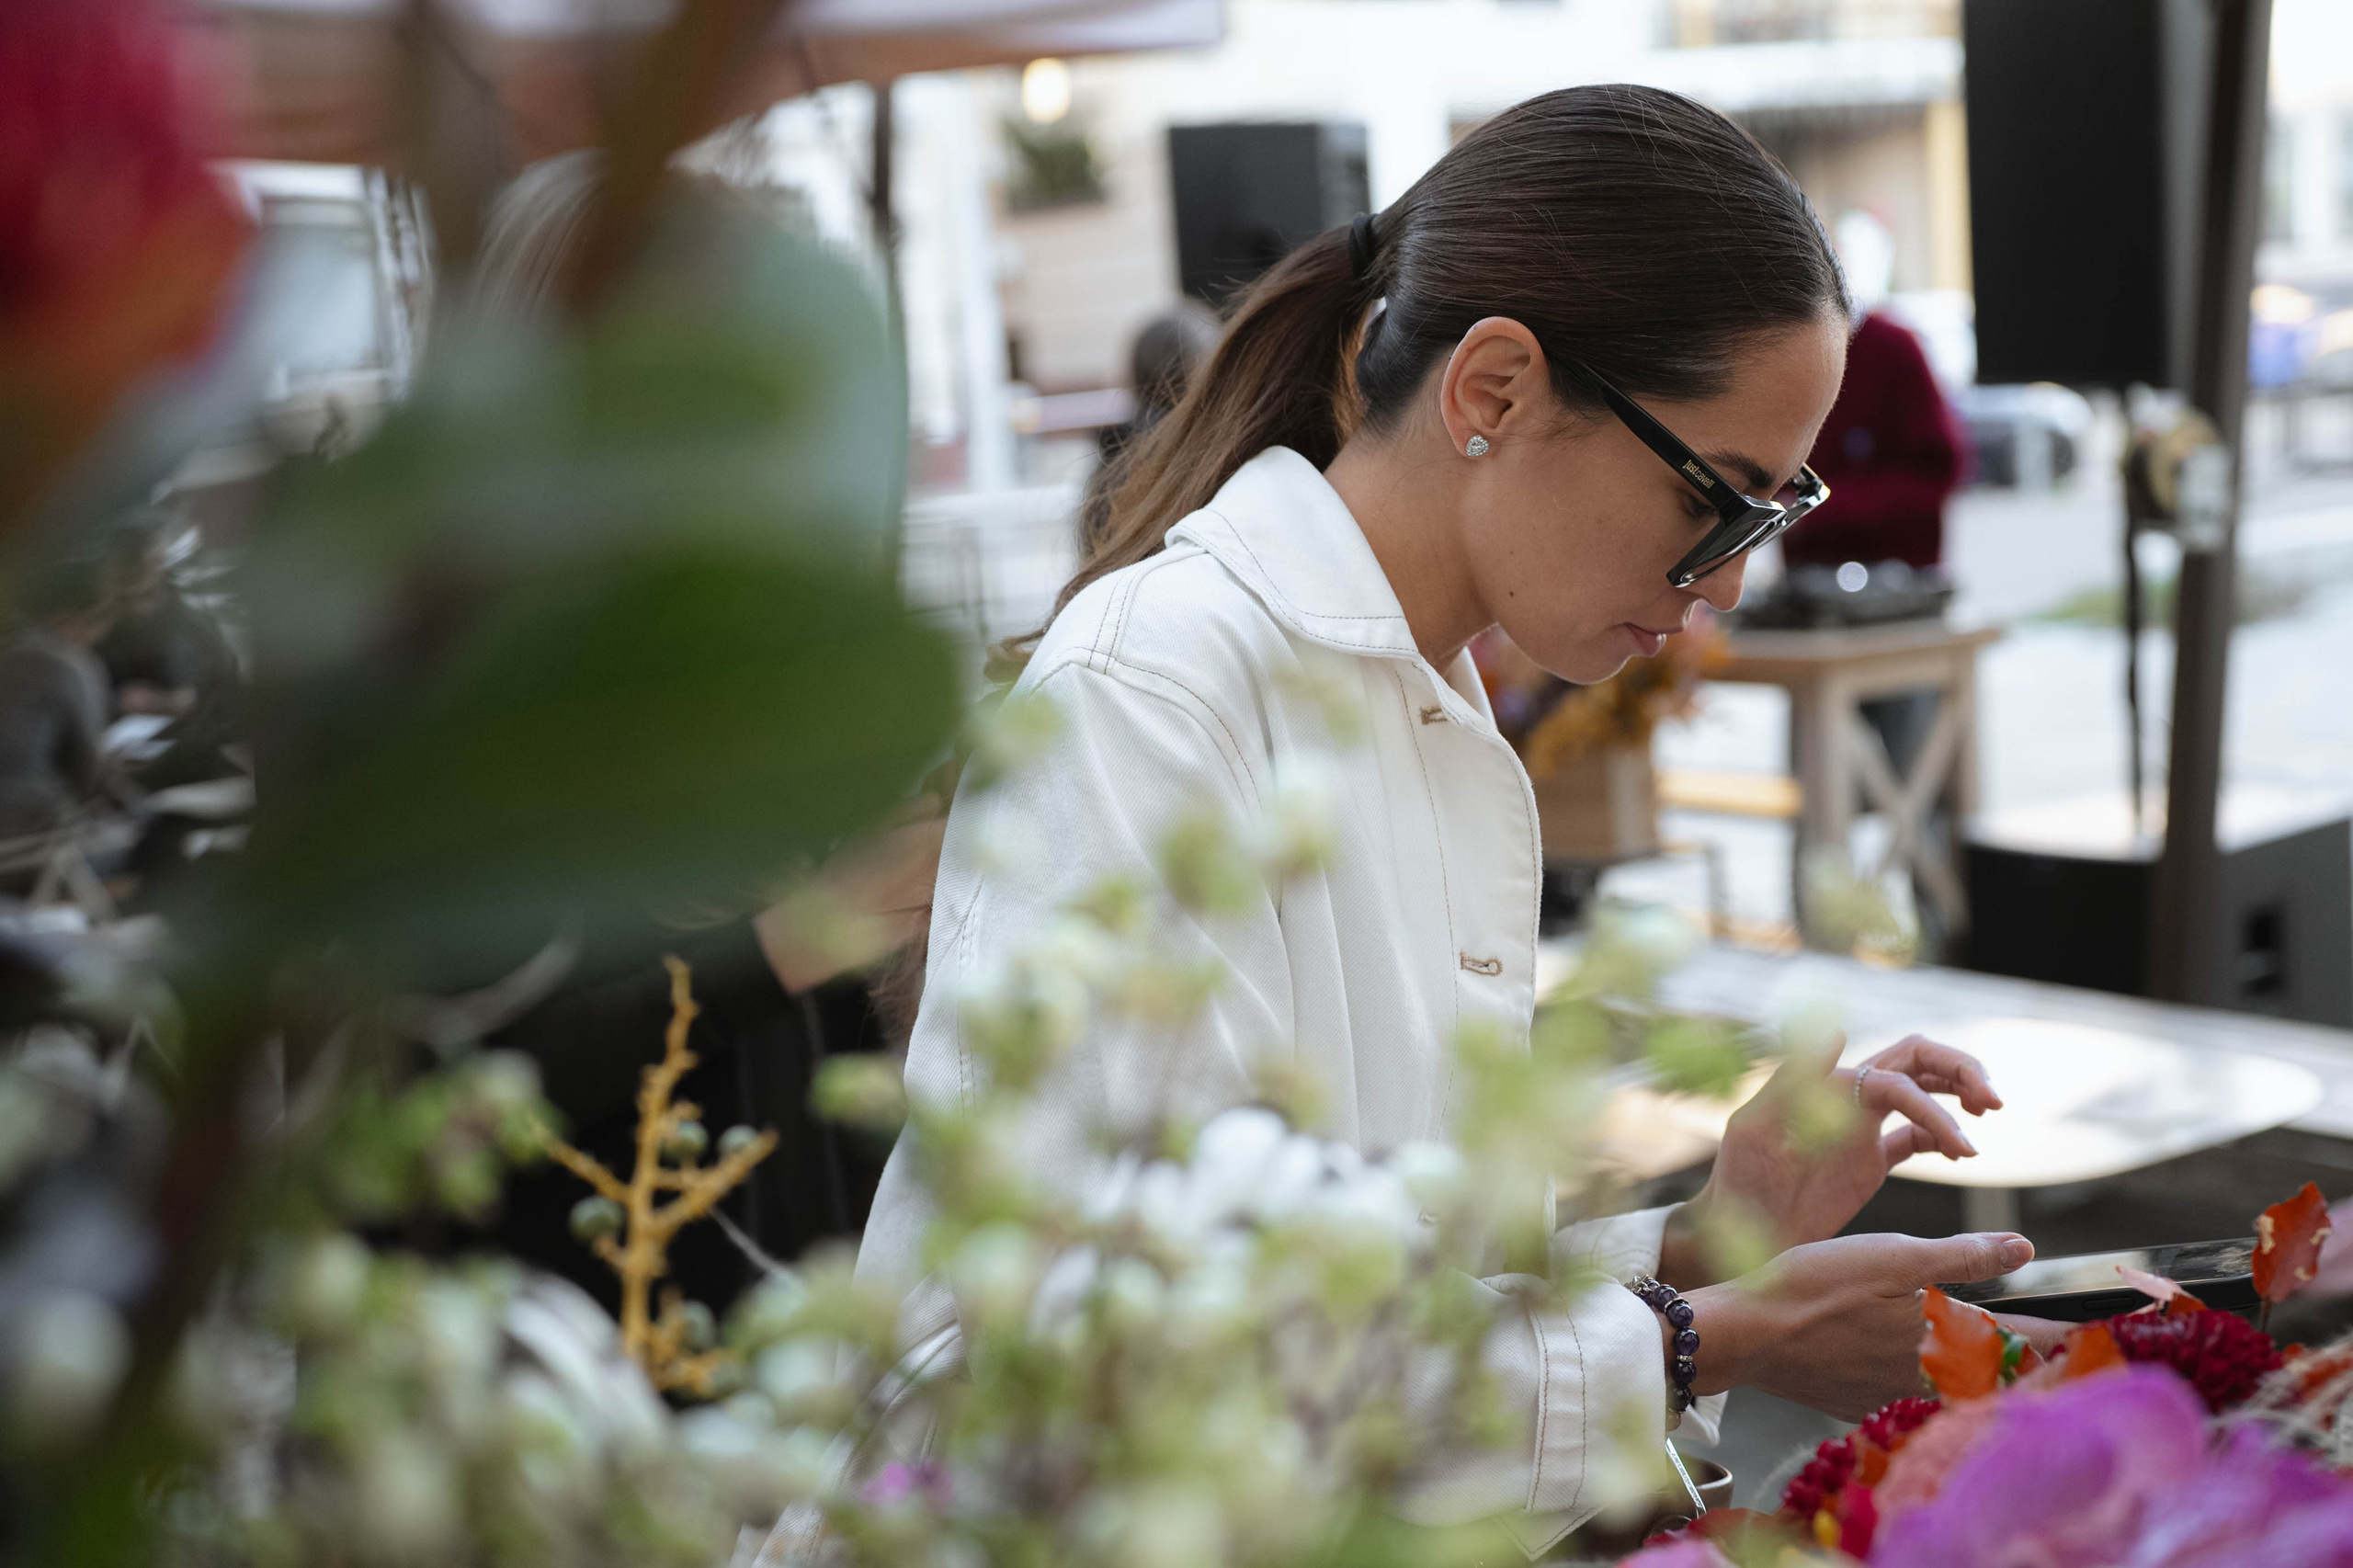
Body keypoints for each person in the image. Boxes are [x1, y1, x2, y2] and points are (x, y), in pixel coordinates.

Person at [858, 86, 2052, 1550]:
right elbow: (1148, 1357)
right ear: (1493, 389)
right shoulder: (1156, 685)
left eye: (1774, 512)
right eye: (1720, 497)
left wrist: (1708, 1242)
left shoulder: (1417, 693)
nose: (1733, 579)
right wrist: (1710, 1336)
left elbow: (1376, 1290)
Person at [0, 559, 137, 843]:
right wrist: (143, 810)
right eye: (101, 619)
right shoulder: (66, 663)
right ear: (65, 620)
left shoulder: (11, 646)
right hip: (23, 839)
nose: (102, 634)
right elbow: (88, 777)